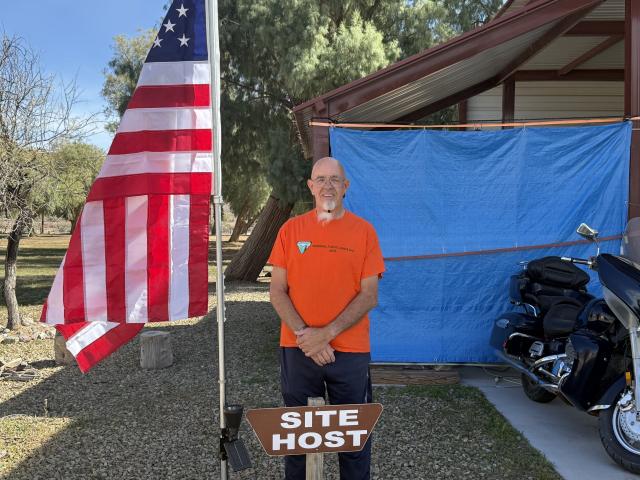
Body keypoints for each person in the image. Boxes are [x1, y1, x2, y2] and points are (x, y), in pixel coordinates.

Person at [268, 156, 385, 480]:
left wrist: (327, 333)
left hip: (350, 352)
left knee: (354, 442)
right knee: (299, 442)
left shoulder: (364, 232)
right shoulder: (290, 230)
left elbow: (369, 294)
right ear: (310, 186)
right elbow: (277, 291)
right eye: (320, 179)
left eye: (335, 179)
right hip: (298, 348)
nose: (327, 185)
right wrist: (307, 335)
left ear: (345, 187)